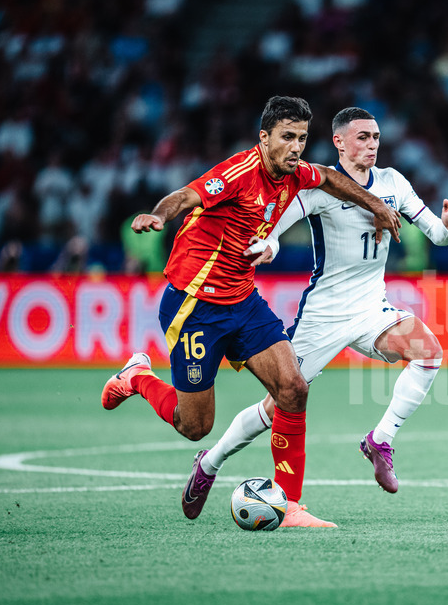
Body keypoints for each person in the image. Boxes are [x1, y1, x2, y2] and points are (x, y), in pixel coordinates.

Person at [101, 97, 400, 527]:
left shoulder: (297, 174)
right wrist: (158, 216)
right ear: (264, 138)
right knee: (195, 425)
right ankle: (137, 378)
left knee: (293, 388)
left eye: (301, 138)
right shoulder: (240, 172)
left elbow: (333, 179)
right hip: (195, 306)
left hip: (243, 300)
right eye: (287, 137)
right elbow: (186, 195)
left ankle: (290, 505)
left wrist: (376, 204)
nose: (296, 147)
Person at [190, 106, 448, 507]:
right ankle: (210, 463)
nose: (372, 145)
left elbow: (435, 235)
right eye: (362, 137)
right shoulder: (319, 189)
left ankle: (379, 440)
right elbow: (279, 227)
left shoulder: (393, 183)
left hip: (372, 307)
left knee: (429, 354)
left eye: (375, 137)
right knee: (276, 406)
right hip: (324, 315)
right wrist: (268, 246)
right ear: (339, 142)